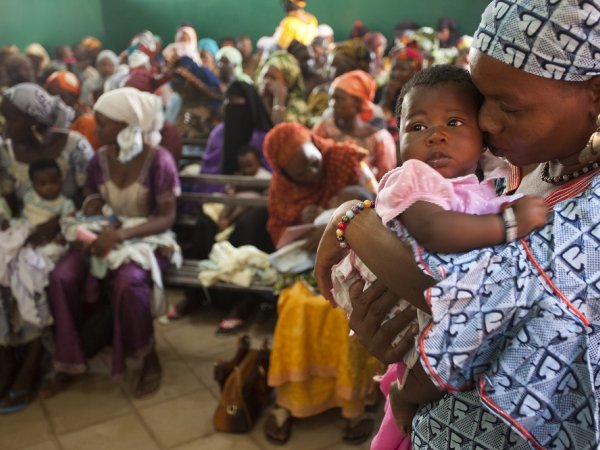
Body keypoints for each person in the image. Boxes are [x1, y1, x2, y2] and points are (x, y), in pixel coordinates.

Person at [315, 0, 600, 448]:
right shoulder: (521, 164)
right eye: (481, 98)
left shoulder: (590, 214)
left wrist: (354, 223)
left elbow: (469, 305)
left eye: (509, 105)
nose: (484, 121)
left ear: (595, 94)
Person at [329, 65, 547, 448]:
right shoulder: (414, 179)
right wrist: (509, 225)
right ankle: (403, 395)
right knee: (423, 385)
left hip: (446, 314)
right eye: (417, 127)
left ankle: (401, 404)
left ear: (482, 138)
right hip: (415, 309)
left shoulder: (487, 179)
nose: (436, 136)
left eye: (454, 122)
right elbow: (435, 231)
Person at [45, 87, 180, 399]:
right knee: (62, 277)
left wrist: (120, 235)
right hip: (102, 231)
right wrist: (92, 207)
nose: (96, 128)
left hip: (146, 236)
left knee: (129, 284)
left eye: (103, 123)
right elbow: (94, 197)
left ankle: (148, 357)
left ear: (125, 125)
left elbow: (167, 217)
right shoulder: (99, 160)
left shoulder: (159, 160)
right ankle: (68, 360)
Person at [263, 122, 383, 445]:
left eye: (313, 161)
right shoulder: (281, 187)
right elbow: (278, 231)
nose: (311, 173)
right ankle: (290, 401)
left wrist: (338, 226)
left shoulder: (346, 161)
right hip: (306, 267)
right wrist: (305, 224)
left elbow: (383, 204)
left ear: (317, 144)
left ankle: (352, 406)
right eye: (300, 173)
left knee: (343, 311)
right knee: (296, 306)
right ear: (286, 174)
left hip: (362, 260)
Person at [0, 83, 93, 413]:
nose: (5, 125)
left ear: (34, 120)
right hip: (23, 231)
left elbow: (93, 199)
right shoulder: (5, 150)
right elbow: (5, 198)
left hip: (65, 237)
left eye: (12, 119)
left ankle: (35, 358)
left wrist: (57, 224)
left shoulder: (75, 147)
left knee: (34, 277)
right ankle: (7, 354)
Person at [313, 70, 397, 180]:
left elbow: (385, 179)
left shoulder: (380, 139)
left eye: (339, 99)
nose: (332, 104)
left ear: (358, 103)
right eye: (332, 98)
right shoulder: (326, 126)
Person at [257, 50, 309, 125]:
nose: (267, 82)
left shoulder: (298, 107)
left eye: (273, 78)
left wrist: (278, 100)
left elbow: (280, 132)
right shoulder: (255, 101)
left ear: (287, 83)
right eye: (265, 76)